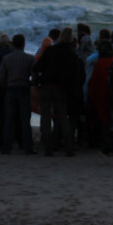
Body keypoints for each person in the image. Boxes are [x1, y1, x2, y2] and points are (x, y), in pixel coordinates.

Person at [32, 27, 80, 157]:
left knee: (45, 117)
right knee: (63, 118)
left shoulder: (50, 50)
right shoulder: (72, 54)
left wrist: (37, 81)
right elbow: (76, 76)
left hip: (46, 87)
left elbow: (36, 67)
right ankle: (69, 149)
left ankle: (48, 149)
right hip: (61, 89)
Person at [0, 34, 36, 155]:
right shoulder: (29, 58)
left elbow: (0, 77)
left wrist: (6, 85)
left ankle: (6, 147)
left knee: (9, 119)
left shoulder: (6, 58)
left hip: (11, 88)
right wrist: (30, 83)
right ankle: (28, 147)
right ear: (24, 44)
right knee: (25, 120)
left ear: (12, 44)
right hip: (24, 88)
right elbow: (34, 76)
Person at [85, 39, 113, 148]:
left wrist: (90, 96)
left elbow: (94, 82)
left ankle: (97, 141)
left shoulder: (100, 63)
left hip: (100, 95)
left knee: (98, 119)